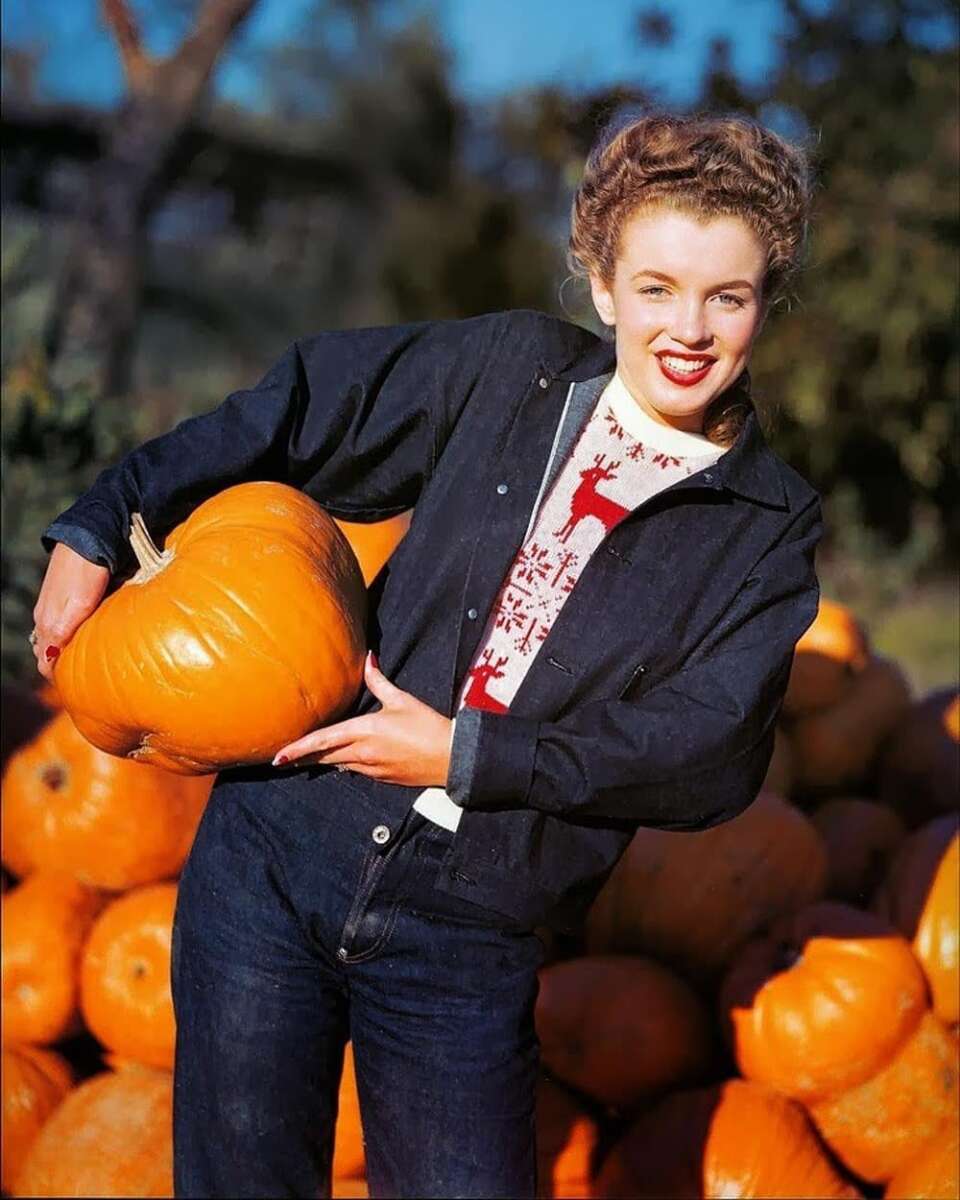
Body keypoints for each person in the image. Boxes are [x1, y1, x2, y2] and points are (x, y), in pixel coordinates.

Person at [31, 111, 821, 1199]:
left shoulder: (765, 526)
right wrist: (101, 520)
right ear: (601, 285)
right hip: (277, 844)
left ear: (765, 303)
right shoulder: (509, 370)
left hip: (468, 927)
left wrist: (468, 755)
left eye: (725, 297)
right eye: (656, 287)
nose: (687, 326)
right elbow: (299, 407)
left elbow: (707, 752)